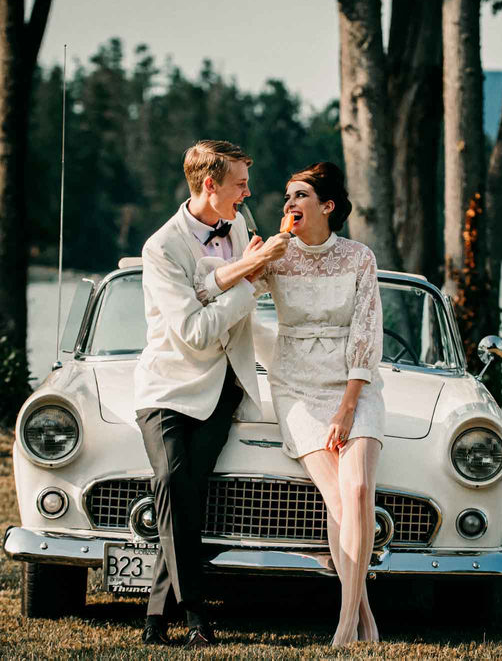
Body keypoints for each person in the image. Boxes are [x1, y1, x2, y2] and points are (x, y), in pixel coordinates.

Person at [133, 140, 289, 647]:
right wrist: (246, 279)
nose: (248, 193)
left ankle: (157, 619)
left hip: (223, 386)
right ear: (210, 184)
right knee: (173, 482)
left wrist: (255, 269)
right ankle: (197, 612)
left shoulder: (238, 225)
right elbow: (195, 332)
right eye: (240, 183)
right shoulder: (162, 248)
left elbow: (239, 298)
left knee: (188, 496)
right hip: (168, 388)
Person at [253, 161, 384, 646]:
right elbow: (231, 295)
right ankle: (359, 618)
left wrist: (349, 405)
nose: (289, 204)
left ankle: (347, 621)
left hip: (354, 385)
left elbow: (367, 332)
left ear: (327, 206)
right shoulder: (277, 254)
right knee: (337, 498)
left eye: (301, 195)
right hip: (296, 385)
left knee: (357, 492)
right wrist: (260, 256)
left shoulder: (359, 257)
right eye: (287, 196)